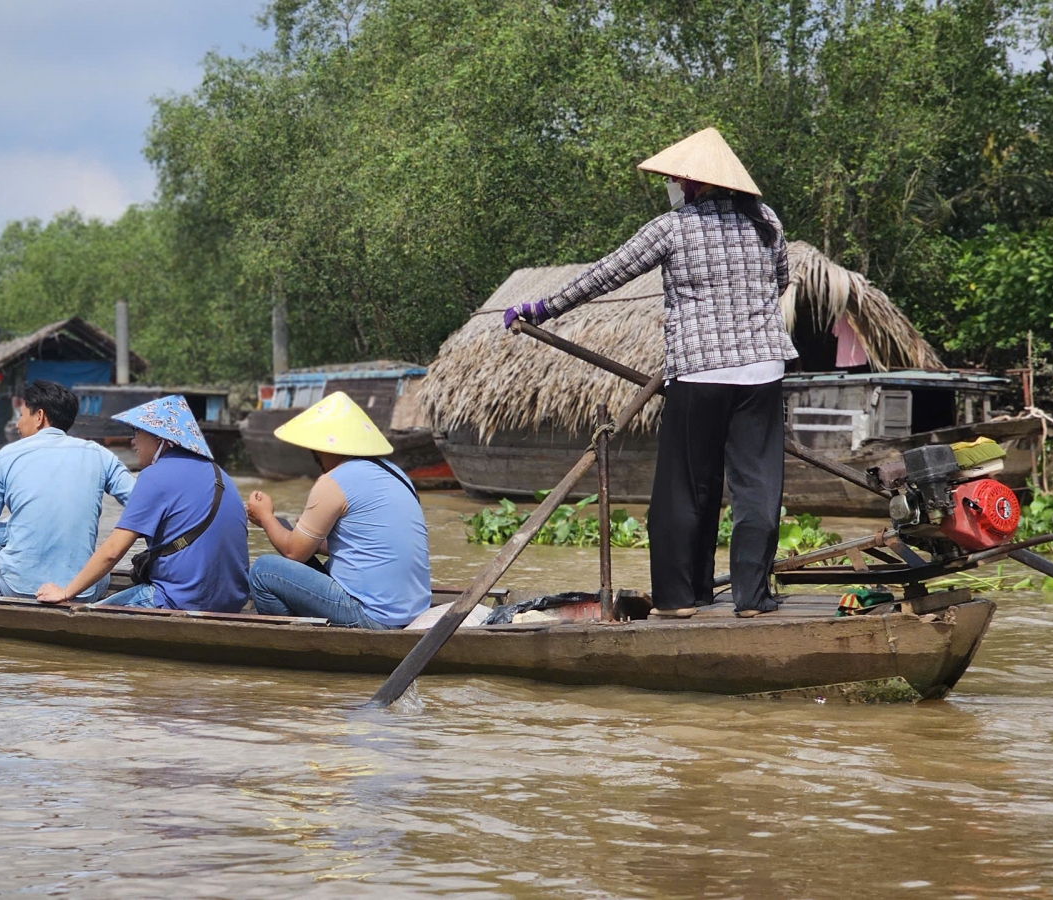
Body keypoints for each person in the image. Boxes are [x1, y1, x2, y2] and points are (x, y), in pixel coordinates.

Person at [501, 127, 793, 618]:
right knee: (757, 489)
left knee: (685, 489)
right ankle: (752, 599)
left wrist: (544, 307)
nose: (673, 186)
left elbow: (607, 273)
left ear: (693, 183)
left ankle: (682, 599)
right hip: (762, 372)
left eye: (677, 179)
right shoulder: (766, 221)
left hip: (700, 373)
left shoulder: (673, 227)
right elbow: (781, 281)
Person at [35, 395, 248, 611]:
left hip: (181, 599)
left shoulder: (154, 476)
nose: (133, 441)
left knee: (85, 616)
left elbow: (112, 551)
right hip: (232, 600)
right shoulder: (220, 474)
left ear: (161, 439)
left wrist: (66, 592)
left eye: (137, 432)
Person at [244, 392, 431, 628]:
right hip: (413, 610)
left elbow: (294, 553)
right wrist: (302, 535)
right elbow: (369, 544)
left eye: (317, 452)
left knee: (263, 571)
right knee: (305, 550)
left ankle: (296, 646)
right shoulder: (397, 474)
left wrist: (266, 516)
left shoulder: (334, 481)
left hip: (372, 614)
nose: (316, 458)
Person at [0, 381, 135, 600]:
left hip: (18, 587)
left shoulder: (5, 457)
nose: (18, 424)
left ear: (39, 417)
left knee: (2, 538)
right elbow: (142, 502)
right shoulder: (99, 454)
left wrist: (23, 530)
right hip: (83, 591)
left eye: (21, 415)